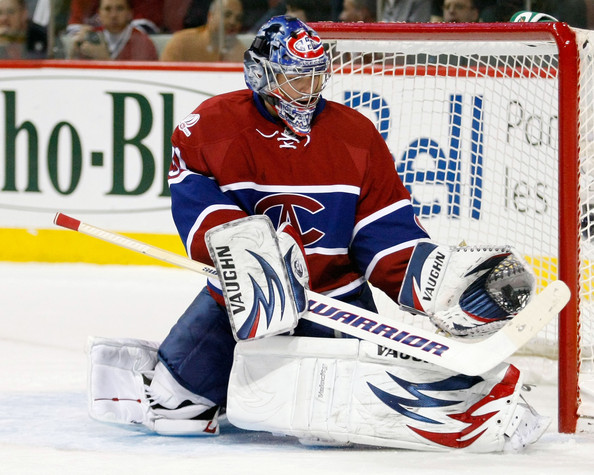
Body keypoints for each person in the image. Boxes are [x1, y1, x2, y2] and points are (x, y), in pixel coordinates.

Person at [87, 16, 546, 452]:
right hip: (243, 299)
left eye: (314, 76)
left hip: (336, 303)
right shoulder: (210, 126)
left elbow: (383, 230)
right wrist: (247, 255)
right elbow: (198, 205)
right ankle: (225, 382)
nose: (307, 90)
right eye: (294, 77)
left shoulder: (354, 134)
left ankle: (471, 405)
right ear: (261, 75)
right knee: (174, 410)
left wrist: (434, 284)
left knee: (331, 425)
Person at [68, 0, 158, 60]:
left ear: (130, 13)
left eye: (120, 9)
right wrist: (75, 49)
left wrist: (105, 59)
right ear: (99, 14)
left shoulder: (143, 43)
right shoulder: (90, 37)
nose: (113, 15)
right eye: (107, 9)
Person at [159, 0, 244, 62]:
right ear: (210, 16)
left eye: (238, 19)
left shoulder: (243, 53)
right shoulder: (181, 43)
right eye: (227, 15)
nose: (233, 22)